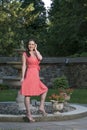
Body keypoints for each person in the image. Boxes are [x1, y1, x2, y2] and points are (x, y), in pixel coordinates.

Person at [20, 39, 48, 122]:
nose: (30, 46)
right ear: (27, 45)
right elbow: (24, 66)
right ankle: (28, 114)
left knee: (45, 89)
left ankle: (41, 107)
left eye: (32, 44)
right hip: (29, 74)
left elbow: (40, 58)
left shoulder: (36, 53)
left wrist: (36, 50)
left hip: (36, 75)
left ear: (35, 45)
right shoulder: (25, 54)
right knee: (27, 94)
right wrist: (22, 77)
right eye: (29, 44)